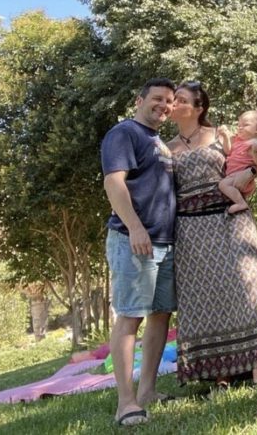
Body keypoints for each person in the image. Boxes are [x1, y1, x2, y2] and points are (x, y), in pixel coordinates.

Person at [168, 82, 257, 389]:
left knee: (247, 287)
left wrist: (255, 171)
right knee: (206, 296)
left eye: (181, 100)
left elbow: (249, 164)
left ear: (198, 108)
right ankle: (220, 373)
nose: (174, 104)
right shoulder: (167, 147)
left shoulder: (222, 135)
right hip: (190, 229)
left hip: (230, 220)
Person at [102, 78, 177, 427]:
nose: (164, 106)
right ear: (139, 99)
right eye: (157, 99)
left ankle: (147, 390)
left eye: (169, 102)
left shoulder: (158, 142)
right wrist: (134, 226)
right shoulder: (125, 133)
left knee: (160, 314)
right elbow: (113, 182)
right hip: (134, 239)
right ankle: (126, 402)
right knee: (131, 315)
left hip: (164, 240)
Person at [217, 110, 257, 216]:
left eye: (245, 125)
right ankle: (238, 203)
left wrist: (255, 152)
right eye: (239, 125)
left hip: (242, 177)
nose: (240, 127)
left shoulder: (255, 143)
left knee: (222, 185)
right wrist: (226, 136)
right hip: (233, 175)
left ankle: (241, 203)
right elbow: (228, 151)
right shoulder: (237, 140)